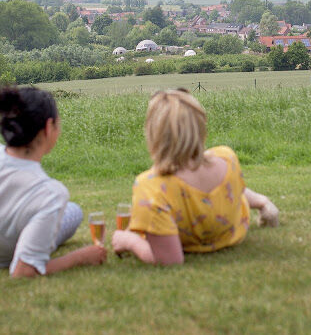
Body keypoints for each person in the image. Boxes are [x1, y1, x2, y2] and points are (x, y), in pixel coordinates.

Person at [0, 86, 106, 278]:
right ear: (48, 128)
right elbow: (23, 271)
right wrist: (81, 257)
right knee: (73, 211)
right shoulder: (50, 194)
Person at [111, 89, 279, 265]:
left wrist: (129, 241)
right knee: (228, 190)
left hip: (192, 237)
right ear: (199, 127)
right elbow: (236, 192)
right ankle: (262, 202)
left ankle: (262, 202)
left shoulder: (150, 186)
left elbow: (169, 259)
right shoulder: (226, 157)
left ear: (155, 134)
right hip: (230, 228)